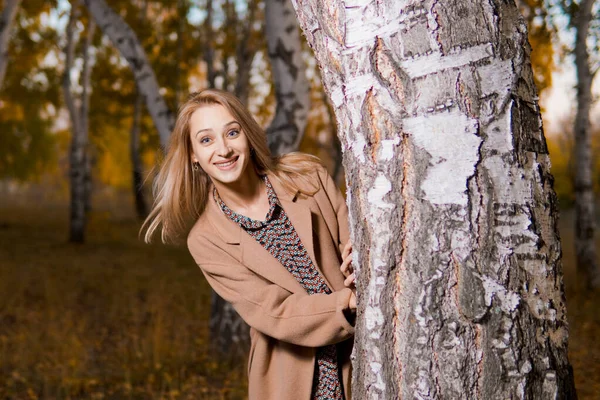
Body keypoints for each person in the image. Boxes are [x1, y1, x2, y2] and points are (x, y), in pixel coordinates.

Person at [141, 89, 356, 400]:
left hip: (361, 355)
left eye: (231, 132)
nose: (224, 149)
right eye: (206, 140)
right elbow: (274, 312)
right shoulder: (206, 240)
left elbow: (354, 240)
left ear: (247, 132)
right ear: (192, 155)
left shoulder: (307, 177)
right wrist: (347, 302)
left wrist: (361, 257)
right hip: (292, 378)